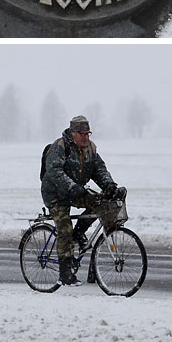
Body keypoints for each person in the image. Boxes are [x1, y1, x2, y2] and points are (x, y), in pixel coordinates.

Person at [41, 114, 126, 287]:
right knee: (64, 228)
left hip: (75, 191)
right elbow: (54, 171)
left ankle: (78, 234)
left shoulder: (90, 149)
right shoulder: (60, 147)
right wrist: (71, 186)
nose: (86, 137)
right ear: (73, 133)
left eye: (88, 133)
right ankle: (65, 274)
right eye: (82, 134)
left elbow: (99, 169)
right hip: (55, 193)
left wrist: (109, 184)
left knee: (101, 204)